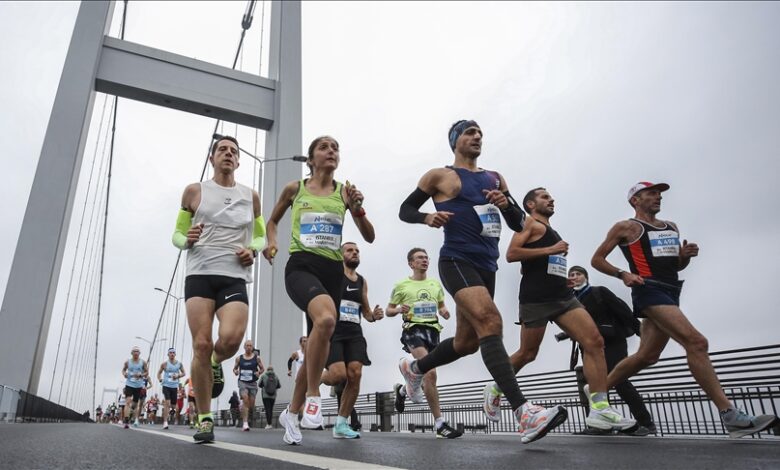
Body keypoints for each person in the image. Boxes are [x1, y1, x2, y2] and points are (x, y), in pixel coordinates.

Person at [397, 120, 567, 444]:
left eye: (480, 134)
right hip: (456, 261)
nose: (477, 137)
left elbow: (519, 222)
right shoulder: (440, 176)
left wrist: (506, 205)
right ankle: (524, 413)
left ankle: (415, 370)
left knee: (467, 343)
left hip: (487, 266)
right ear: (455, 141)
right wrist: (427, 217)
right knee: (491, 320)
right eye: (469, 132)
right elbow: (406, 209)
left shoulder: (495, 177)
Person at [591, 181, 778, 438]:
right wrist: (623, 273)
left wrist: (685, 257)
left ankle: (595, 391)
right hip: (648, 290)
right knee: (697, 342)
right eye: (651, 193)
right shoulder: (627, 227)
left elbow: (674, 266)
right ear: (635, 200)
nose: (658, 197)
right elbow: (597, 260)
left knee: (647, 356)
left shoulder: (672, 227)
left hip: (671, 291)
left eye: (660, 194)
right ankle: (731, 415)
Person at [482, 188, 634, 432]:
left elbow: (539, 265)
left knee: (594, 341)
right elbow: (512, 255)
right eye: (544, 197)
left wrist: (561, 278)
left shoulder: (553, 232)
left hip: (563, 297)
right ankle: (496, 387)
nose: (551, 199)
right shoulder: (529, 224)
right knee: (528, 353)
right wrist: (550, 250)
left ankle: (600, 408)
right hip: (536, 299)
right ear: (531, 204)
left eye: (550, 196)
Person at [264, 135, 375, 445]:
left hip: (332, 275)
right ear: (311, 159)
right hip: (301, 267)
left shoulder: (344, 193)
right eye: (324, 147)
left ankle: (292, 412)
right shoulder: (295, 189)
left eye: (336, 148)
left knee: (316, 343)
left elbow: (370, 237)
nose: (331, 151)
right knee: (327, 320)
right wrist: (271, 242)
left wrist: (358, 208)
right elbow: (272, 221)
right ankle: (314, 397)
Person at [171, 135, 266, 443]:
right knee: (201, 343)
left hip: (233, 274)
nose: (228, 154)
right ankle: (204, 418)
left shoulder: (250, 196)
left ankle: (215, 363)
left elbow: (261, 237)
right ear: (212, 158)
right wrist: (188, 239)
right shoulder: (195, 191)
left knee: (230, 340)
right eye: (222, 150)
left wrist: (252, 250)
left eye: (233, 151)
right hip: (199, 272)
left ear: (238, 161)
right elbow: (177, 233)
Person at [567, 265, 655, 435]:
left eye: (578, 274)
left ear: (586, 277)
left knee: (620, 381)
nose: (575, 276)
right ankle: (599, 426)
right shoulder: (571, 301)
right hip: (589, 346)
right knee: (592, 384)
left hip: (613, 342)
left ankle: (646, 423)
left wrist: (641, 332)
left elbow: (622, 310)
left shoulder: (598, 292)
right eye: (571, 275)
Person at [386, 247, 461, 439]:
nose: (424, 260)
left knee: (428, 374)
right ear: (411, 263)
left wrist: (444, 311)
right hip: (413, 330)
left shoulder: (435, 284)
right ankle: (440, 424)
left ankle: (403, 390)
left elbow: (442, 304)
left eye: (426, 257)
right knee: (431, 373)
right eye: (420, 258)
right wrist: (398, 310)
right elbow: (389, 310)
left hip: (433, 331)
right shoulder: (401, 285)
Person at [320, 242, 384, 439]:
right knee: (338, 376)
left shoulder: (362, 281)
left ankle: (341, 424)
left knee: (355, 373)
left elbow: (365, 310)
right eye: (349, 250)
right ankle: (314, 376)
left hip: (355, 332)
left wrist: (373, 315)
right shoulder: (332, 275)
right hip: (335, 331)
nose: (354, 253)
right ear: (341, 256)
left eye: (357, 251)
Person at [233, 339, 264, 431]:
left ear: (252, 347)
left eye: (250, 346)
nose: (249, 347)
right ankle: (245, 423)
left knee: (251, 404)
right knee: (245, 398)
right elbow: (234, 368)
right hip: (242, 382)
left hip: (253, 383)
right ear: (244, 347)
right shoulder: (239, 358)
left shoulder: (257, 358)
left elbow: (262, 369)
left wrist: (259, 372)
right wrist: (236, 371)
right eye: (247, 345)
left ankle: (243, 407)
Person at [157, 347, 186, 429]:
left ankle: (172, 410)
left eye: (173, 352)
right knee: (167, 403)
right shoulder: (164, 364)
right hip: (166, 385)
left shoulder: (179, 364)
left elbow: (184, 373)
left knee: (173, 405)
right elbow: (158, 373)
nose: (172, 354)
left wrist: (178, 375)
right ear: (168, 354)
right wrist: (160, 379)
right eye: (170, 353)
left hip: (174, 386)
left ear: (175, 354)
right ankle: (165, 422)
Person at [121, 346, 148, 429]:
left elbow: (147, 372)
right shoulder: (127, 362)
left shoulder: (143, 362)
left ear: (139, 353)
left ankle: (135, 419)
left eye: (137, 351)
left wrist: (141, 375)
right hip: (129, 384)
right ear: (131, 353)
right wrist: (124, 374)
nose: (136, 353)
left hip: (138, 385)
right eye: (134, 351)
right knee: (128, 402)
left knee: (135, 404)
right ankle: (126, 421)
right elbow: (123, 370)